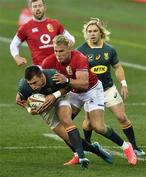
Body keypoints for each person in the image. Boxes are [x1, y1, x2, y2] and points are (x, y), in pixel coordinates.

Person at [41, 34, 137, 165]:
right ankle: (77, 154)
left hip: (92, 90)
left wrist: (67, 80)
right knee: (64, 124)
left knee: (98, 127)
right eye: (56, 51)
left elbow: (84, 84)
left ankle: (126, 147)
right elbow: (44, 83)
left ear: (69, 48)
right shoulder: (48, 62)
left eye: (61, 51)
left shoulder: (79, 58)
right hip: (73, 92)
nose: (58, 54)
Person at [16, 65, 114, 168]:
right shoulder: (24, 86)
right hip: (45, 109)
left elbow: (69, 87)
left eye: (35, 82)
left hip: (60, 98)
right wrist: (29, 110)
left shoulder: (53, 75)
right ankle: (95, 149)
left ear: (42, 76)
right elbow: (19, 100)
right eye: (30, 84)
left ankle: (82, 157)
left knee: (66, 120)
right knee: (68, 138)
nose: (33, 87)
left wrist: (54, 95)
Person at [76, 18, 145, 157]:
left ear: (101, 32)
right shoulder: (81, 50)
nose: (92, 34)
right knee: (88, 124)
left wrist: (124, 84)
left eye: (95, 31)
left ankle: (135, 147)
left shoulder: (109, 50)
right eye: (89, 31)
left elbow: (117, 67)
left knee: (122, 117)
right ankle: (88, 146)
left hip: (108, 89)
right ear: (86, 33)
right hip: (91, 91)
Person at [10, 0, 75, 67]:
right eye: (35, 7)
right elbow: (14, 44)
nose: (37, 9)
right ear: (31, 9)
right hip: (40, 69)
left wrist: (70, 41)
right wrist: (16, 56)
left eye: (40, 6)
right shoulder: (25, 28)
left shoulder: (55, 23)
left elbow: (69, 37)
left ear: (45, 7)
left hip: (58, 66)